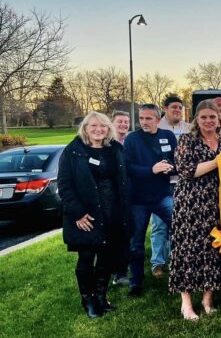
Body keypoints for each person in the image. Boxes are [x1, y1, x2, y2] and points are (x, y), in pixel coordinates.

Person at [169, 99, 221, 320]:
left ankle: (207, 298)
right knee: (188, 250)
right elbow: (186, 170)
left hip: (219, 204)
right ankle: (186, 303)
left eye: (212, 117)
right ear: (196, 119)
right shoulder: (187, 140)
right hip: (192, 204)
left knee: (213, 250)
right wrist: (216, 161)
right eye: (203, 117)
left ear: (219, 119)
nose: (208, 121)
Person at [58, 112, 132, 318]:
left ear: (109, 129)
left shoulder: (115, 149)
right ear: (85, 128)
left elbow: (123, 179)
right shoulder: (73, 151)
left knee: (107, 256)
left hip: (112, 212)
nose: (99, 129)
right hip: (86, 215)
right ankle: (88, 300)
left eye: (103, 126)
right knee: (87, 256)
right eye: (94, 126)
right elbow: (64, 186)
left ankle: (101, 296)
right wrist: (78, 214)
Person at [123, 104, 177, 295]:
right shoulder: (132, 139)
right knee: (136, 243)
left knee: (180, 231)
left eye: (149, 118)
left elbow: (176, 161)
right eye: (142, 118)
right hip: (138, 200)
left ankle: (180, 273)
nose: (144, 122)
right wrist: (150, 170)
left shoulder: (168, 136)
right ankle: (135, 282)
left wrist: (170, 167)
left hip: (163, 195)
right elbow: (127, 167)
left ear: (157, 119)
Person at [153, 96, 191, 284]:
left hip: (182, 182)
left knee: (179, 222)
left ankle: (176, 258)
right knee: (160, 224)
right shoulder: (156, 126)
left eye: (180, 107)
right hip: (161, 182)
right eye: (174, 107)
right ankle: (158, 262)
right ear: (165, 108)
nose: (178, 110)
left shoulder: (188, 127)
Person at [109, 110, 132, 286]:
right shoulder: (107, 144)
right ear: (112, 123)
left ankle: (122, 271)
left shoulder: (130, 142)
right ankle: (113, 270)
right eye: (120, 122)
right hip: (111, 197)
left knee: (126, 234)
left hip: (129, 195)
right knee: (113, 235)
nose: (123, 124)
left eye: (126, 122)